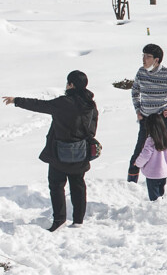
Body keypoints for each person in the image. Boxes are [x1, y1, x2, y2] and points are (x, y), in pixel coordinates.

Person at [3, 71, 98, 231]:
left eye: (68, 83)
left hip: (59, 153)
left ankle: (59, 220)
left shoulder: (64, 102)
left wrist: (16, 101)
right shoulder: (90, 104)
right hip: (81, 152)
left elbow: (40, 105)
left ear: (72, 85)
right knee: (78, 185)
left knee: (56, 185)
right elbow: (92, 128)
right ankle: (78, 220)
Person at [128, 43, 167, 183]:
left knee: (162, 154)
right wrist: (138, 110)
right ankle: (131, 186)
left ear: (157, 60)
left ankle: (159, 189)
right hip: (146, 119)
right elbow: (135, 92)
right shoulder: (141, 72)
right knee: (139, 152)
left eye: (148, 56)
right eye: (143, 55)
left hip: (162, 120)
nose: (144, 59)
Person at [134, 113, 167, 201]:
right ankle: (161, 209)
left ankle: (156, 212)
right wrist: (163, 160)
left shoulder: (151, 140)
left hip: (152, 175)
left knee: (154, 199)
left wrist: (137, 163)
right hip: (164, 173)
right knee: (160, 195)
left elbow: (145, 155)